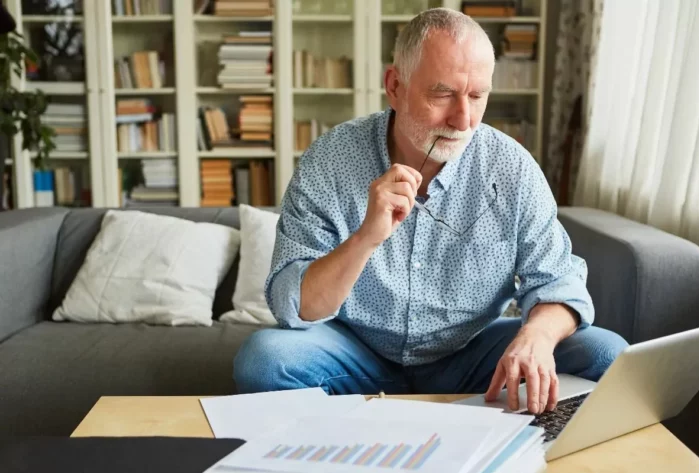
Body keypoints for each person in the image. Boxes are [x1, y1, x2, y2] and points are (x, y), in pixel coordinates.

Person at [233, 8, 628, 415]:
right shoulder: (331, 159)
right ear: (395, 85)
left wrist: (538, 337)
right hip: (355, 354)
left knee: (606, 354)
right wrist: (365, 237)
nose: (463, 119)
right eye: (442, 94)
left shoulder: (512, 168)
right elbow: (293, 307)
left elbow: (559, 280)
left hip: (472, 355)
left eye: (477, 96)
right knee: (264, 360)